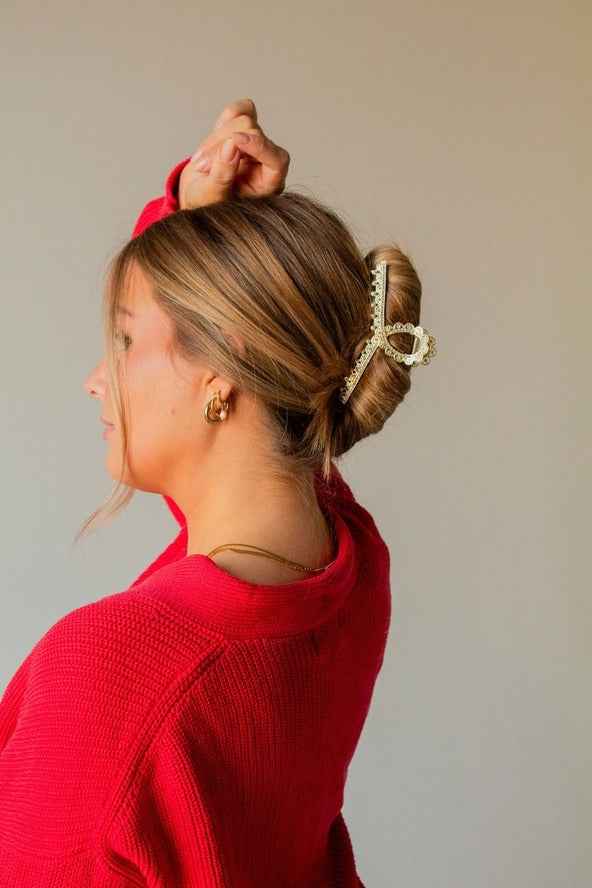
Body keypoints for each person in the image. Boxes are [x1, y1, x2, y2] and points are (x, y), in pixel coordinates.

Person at [0, 99, 436, 886]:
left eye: (124, 341)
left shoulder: (107, 673)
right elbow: (248, 451)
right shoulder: (343, 565)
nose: (96, 378)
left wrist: (189, 221)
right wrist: (192, 224)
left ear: (220, 370)